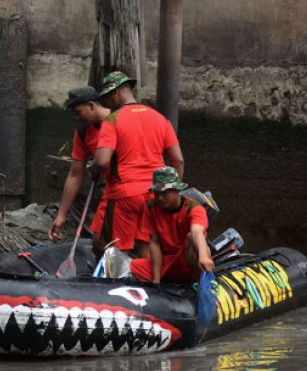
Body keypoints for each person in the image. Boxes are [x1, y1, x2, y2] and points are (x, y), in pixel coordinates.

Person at [90, 71, 185, 256]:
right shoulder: (160, 118)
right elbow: (178, 160)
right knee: (146, 245)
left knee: (109, 247)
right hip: (155, 194)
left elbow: (101, 162)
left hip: (124, 195)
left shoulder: (112, 121)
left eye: (107, 98)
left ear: (116, 93)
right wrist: (171, 191)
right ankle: (146, 282)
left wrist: (93, 170)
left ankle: (114, 283)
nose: (107, 104)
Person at [130, 167, 214, 284]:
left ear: (176, 190)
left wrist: (203, 256)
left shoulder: (194, 208)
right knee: (132, 267)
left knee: (192, 238)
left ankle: (199, 283)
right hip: (167, 262)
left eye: (164, 193)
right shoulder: (152, 207)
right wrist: (156, 279)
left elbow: (197, 232)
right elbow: (155, 242)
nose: (160, 198)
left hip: (187, 260)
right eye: (157, 193)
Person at [48, 86, 111, 241]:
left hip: (128, 190)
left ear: (91, 105)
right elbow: (75, 173)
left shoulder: (120, 122)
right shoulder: (83, 133)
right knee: (99, 241)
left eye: (78, 112)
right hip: (107, 193)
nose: (77, 117)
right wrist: (61, 215)